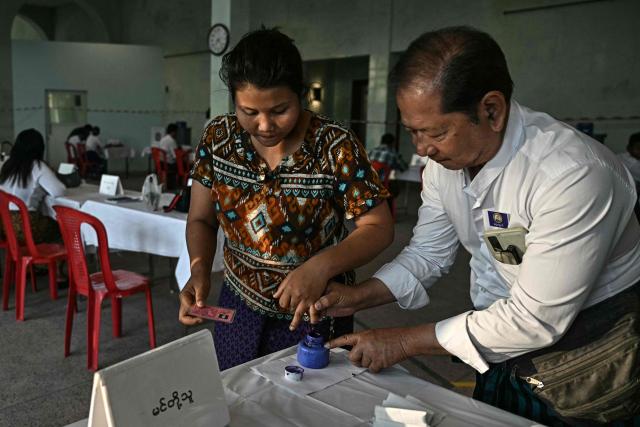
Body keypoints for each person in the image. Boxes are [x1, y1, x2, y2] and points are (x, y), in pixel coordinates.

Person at [314, 27, 640, 426]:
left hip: (588, 366)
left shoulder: (572, 175)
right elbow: (428, 253)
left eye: (435, 132)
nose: (421, 149)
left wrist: (402, 340)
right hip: (499, 351)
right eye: (413, 131)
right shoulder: (444, 165)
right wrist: (356, 297)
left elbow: (533, 319)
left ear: (491, 110)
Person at [178, 28, 394, 371]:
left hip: (314, 311)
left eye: (280, 110)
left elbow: (378, 227)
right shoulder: (217, 137)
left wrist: (319, 267)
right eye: (249, 111)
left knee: (305, 411)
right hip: (239, 304)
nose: (265, 125)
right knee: (236, 401)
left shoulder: (333, 144)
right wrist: (199, 268)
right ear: (233, 101)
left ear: (301, 94)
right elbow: (201, 219)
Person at [0, 128, 65, 243]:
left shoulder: (8, 164)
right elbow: (59, 191)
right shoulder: (37, 166)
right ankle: (57, 260)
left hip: (4, 226)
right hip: (26, 228)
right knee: (64, 228)